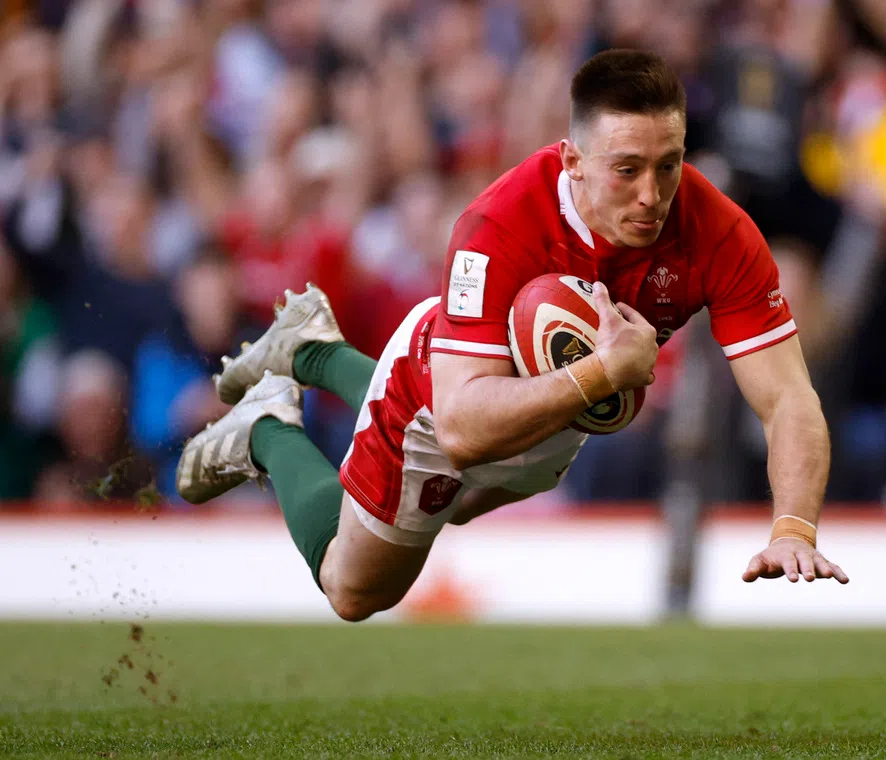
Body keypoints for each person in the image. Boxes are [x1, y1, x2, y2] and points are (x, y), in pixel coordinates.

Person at [176, 50, 848, 622]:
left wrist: (794, 524)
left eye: (667, 165)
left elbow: (789, 398)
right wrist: (608, 372)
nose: (652, 194)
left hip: (557, 421)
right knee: (355, 592)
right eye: (627, 169)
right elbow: (464, 428)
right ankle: (268, 428)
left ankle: (312, 348)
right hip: (446, 397)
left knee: (463, 509)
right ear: (573, 161)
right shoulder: (498, 224)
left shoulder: (719, 231)